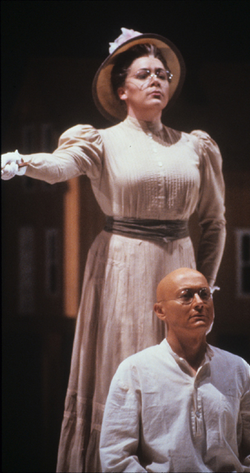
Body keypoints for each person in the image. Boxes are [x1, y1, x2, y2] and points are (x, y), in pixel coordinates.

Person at [1, 28, 226, 472]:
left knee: (178, 368)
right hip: (124, 265)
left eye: (162, 74)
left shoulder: (195, 146)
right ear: (122, 90)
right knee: (126, 363)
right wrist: (24, 162)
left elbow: (215, 222)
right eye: (144, 75)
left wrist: (205, 286)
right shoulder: (101, 142)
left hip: (178, 266)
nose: (156, 81)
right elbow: (62, 163)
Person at [100, 268, 250, 473]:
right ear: (160, 311)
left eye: (204, 294)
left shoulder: (238, 369)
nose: (199, 303)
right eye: (186, 296)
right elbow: (116, 457)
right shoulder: (135, 371)